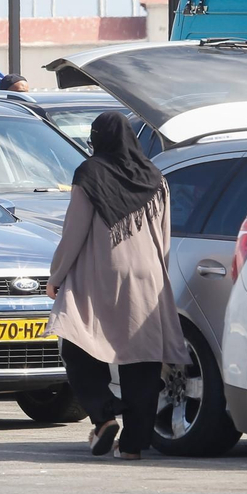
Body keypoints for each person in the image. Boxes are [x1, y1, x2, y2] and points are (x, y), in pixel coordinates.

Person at [47, 111, 187, 459]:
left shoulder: (90, 173)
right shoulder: (155, 176)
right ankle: (134, 445)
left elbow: (75, 232)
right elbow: (164, 234)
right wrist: (159, 274)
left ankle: (104, 415)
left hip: (100, 271)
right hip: (148, 274)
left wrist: (56, 276)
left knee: (78, 347)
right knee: (142, 357)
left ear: (98, 139)